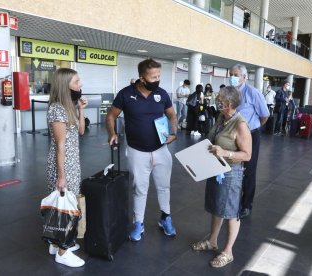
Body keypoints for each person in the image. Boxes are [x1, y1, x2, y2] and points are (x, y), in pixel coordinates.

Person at [105, 58, 178, 242]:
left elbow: (172, 114)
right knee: (140, 188)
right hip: (137, 150)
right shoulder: (126, 94)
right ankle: (139, 223)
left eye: (159, 76)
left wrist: (174, 132)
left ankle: (165, 217)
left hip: (161, 149)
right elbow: (111, 116)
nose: (158, 79)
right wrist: (112, 133)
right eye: (154, 77)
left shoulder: (161, 94)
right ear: (142, 78)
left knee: (164, 187)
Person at [191, 86, 252, 268]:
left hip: (232, 172)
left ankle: (228, 252)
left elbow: (247, 155)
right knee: (216, 206)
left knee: (231, 212)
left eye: (220, 99)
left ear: (228, 103)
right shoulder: (222, 118)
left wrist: (225, 152)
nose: (217, 101)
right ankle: (212, 241)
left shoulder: (240, 124)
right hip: (216, 169)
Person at [46, 68, 87, 267]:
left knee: (64, 207)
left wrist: (81, 108)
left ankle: (56, 244)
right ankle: (63, 251)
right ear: (65, 85)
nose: (80, 85)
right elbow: (60, 145)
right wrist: (61, 176)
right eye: (77, 82)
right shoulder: (57, 109)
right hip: (63, 166)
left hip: (71, 164)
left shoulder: (68, 105)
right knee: (68, 209)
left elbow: (80, 131)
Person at [229, 64, 269, 219]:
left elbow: (264, 115)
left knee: (249, 170)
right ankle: (231, 201)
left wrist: (251, 129)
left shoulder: (253, 93)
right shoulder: (228, 92)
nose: (233, 77)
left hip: (251, 135)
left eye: (236, 74)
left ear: (244, 77)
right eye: (231, 74)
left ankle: (246, 205)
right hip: (231, 135)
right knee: (231, 166)